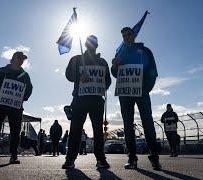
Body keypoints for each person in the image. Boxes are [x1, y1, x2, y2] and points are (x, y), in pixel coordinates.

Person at [111, 27, 161, 170]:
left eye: (129, 34)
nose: (126, 37)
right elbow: (115, 73)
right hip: (125, 94)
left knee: (148, 123)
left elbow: (153, 71)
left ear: (134, 35)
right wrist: (114, 66)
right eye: (124, 35)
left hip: (142, 92)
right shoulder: (119, 53)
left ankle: (154, 157)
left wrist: (146, 88)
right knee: (128, 125)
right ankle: (132, 157)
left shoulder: (145, 51)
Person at [62, 35, 111, 169]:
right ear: (85, 44)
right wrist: (77, 73)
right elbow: (69, 76)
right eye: (89, 43)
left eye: (93, 43)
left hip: (96, 100)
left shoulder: (102, 62)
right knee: (75, 130)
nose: (91, 45)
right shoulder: (76, 59)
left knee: (98, 131)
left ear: (96, 46)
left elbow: (108, 80)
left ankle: (100, 159)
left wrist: (100, 86)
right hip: (80, 99)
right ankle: (70, 159)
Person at [0, 51, 33, 164]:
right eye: (19, 58)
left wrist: (22, 98)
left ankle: (14, 155)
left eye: (23, 59)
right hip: (1, 104)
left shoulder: (25, 75)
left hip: (16, 106)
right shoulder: (1, 71)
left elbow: (29, 89)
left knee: (15, 130)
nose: (21, 61)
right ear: (13, 58)